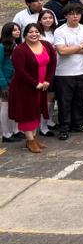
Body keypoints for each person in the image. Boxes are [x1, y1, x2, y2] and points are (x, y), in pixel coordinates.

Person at [10, 23, 55, 152]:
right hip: (24, 87)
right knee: (26, 113)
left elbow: (53, 62)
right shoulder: (20, 50)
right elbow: (20, 71)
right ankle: (30, 141)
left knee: (36, 111)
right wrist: (35, 83)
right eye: (30, 32)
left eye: (36, 31)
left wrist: (48, 80)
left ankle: (33, 139)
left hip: (42, 86)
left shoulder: (46, 45)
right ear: (25, 34)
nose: (34, 34)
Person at [52, 3, 83, 139]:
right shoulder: (60, 31)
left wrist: (73, 49)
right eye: (71, 13)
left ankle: (78, 123)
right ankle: (64, 127)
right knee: (65, 102)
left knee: (80, 100)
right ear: (65, 16)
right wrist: (81, 47)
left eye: (77, 13)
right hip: (64, 72)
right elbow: (62, 51)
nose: (75, 16)